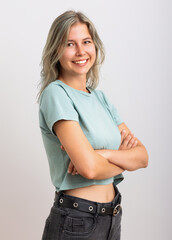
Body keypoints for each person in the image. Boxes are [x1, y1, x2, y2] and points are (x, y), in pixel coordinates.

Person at [37, 10, 149, 240]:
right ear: (56, 50)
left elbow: (143, 157)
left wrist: (102, 154)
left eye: (86, 42)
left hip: (112, 216)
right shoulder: (56, 94)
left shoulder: (100, 98)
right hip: (76, 221)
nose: (81, 51)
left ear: (94, 46)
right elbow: (89, 169)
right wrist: (122, 159)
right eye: (70, 44)